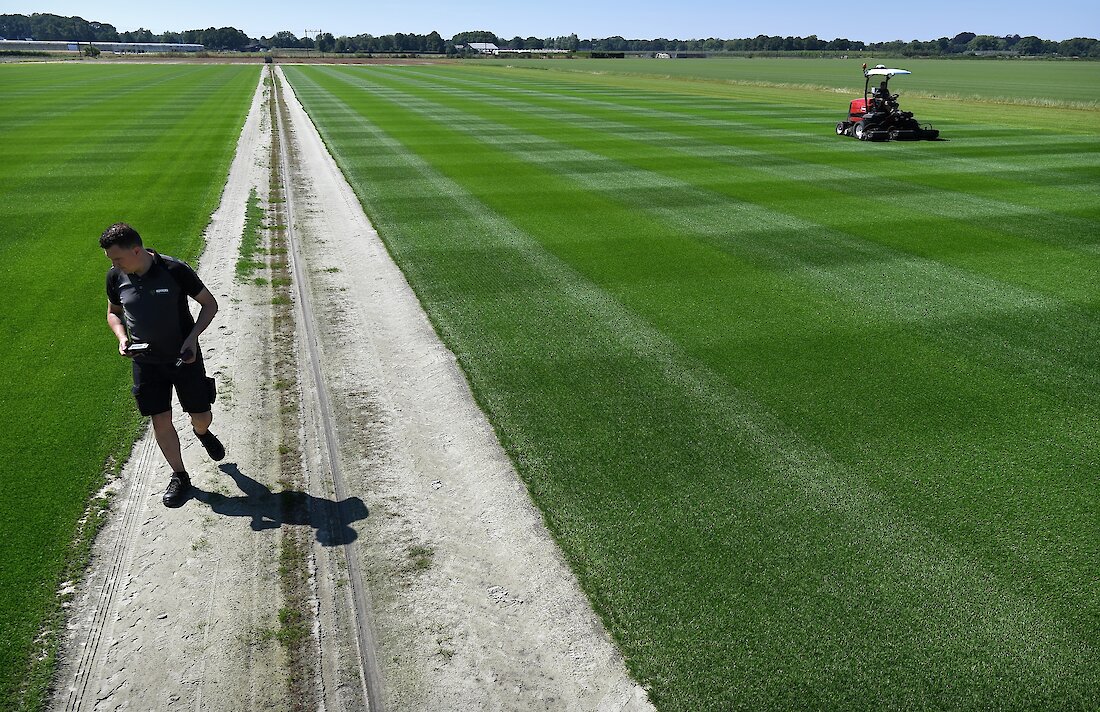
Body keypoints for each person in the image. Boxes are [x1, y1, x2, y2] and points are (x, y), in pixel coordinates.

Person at [101, 222, 224, 507]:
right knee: (160, 418)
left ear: (136, 250)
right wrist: (121, 338)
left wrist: (192, 339)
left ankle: (201, 432)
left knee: (201, 414)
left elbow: (210, 304)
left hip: (184, 358)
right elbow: (113, 313)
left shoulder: (174, 270)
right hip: (146, 363)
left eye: (117, 258)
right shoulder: (114, 277)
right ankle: (180, 476)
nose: (114, 264)